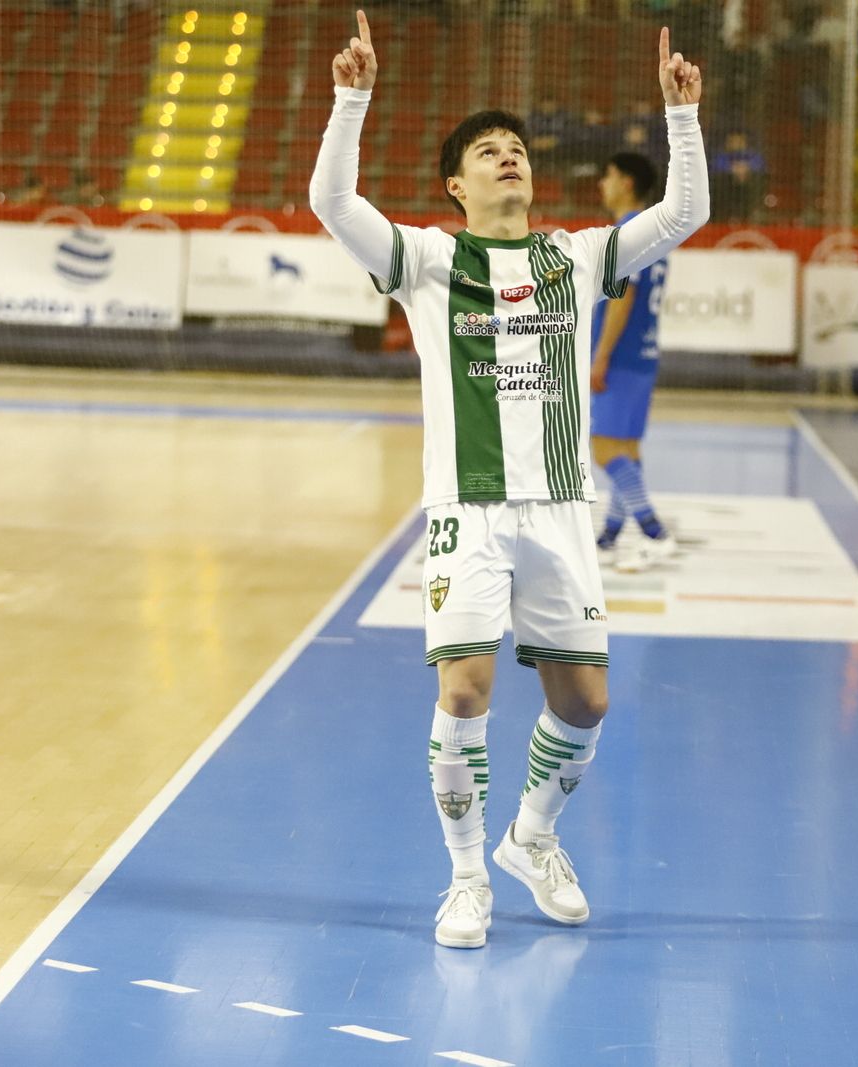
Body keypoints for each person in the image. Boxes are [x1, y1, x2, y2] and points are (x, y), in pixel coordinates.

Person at [310, 10, 707, 949]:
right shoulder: (427, 260)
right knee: (464, 692)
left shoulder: (577, 255)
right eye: (488, 151)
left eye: (518, 147)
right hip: (468, 507)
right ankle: (463, 880)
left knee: (586, 702)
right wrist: (351, 98)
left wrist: (679, 118)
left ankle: (532, 837)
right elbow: (333, 203)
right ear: (455, 184)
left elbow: (683, 215)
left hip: (564, 508)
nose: (509, 157)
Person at [590, 150, 677, 572]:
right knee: (625, 447)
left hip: (620, 357)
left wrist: (600, 356)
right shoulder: (656, 232)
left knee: (603, 448)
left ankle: (653, 531)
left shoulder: (627, 232)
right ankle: (609, 535)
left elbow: (623, 295)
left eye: (606, 175)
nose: (600, 185)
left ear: (626, 182)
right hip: (643, 355)